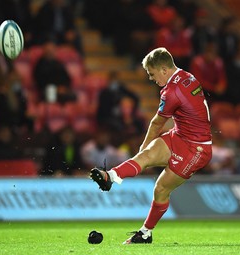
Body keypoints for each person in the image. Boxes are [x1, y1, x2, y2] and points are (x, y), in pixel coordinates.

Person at [90, 48, 212, 244]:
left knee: (161, 189)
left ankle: (145, 232)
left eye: (152, 74)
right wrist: (145, 152)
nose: (151, 78)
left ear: (164, 69)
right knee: (146, 158)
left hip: (196, 149)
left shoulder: (171, 91)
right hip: (180, 136)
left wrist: (143, 147)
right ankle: (110, 176)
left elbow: (157, 123)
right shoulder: (186, 76)